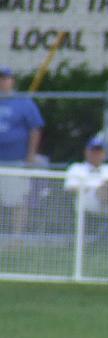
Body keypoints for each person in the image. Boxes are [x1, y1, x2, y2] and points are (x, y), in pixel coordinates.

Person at [0, 66, 44, 239]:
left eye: (6, 78)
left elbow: (35, 129)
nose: (3, 82)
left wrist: (31, 155)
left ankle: (16, 238)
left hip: (15, 160)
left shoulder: (23, 102)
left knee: (17, 200)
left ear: (12, 81)